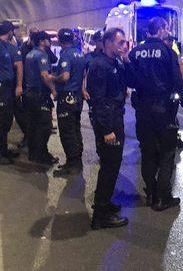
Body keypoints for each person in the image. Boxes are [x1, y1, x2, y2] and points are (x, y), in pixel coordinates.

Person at [129, 18, 183, 211]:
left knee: (147, 153)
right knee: (166, 153)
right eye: (167, 28)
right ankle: (163, 198)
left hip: (143, 111)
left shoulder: (135, 52)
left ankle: (151, 194)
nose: (168, 31)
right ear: (161, 29)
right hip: (163, 111)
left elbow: (130, 79)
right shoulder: (168, 52)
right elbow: (177, 81)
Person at [86, 27, 133, 229]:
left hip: (115, 116)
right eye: (120, 42)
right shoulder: (99, 65)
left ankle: (103, 203)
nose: (124, 46)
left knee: (112, 164)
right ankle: (100, 216)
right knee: (109, 165)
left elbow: (132, 81)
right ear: (108, 43)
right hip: (109, 119)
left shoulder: (116, 62)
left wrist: (127, 59)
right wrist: (106, 129)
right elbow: (98, 100)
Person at [53, 28, 86, 176]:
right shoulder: (79, 53)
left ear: (60, 40)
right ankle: (76, 160)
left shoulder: (66, 54)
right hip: (78, 95)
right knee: (75, 128)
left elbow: (65, 76)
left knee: (67, 131)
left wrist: (53, 78)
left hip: (67, 97)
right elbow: (84, 74)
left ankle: (73, 164)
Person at [24, 31, 58, 165]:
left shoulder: (29, 54)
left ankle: (32, 153)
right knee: (45, 126)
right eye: (48, 40)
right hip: (40, 95)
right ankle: (42, 154)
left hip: (30, 95)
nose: (49, 42)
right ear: (43, 41)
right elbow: (45, 76)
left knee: (32, 125)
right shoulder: (42, 55)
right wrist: (54, 90)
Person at [0, 21, 22, 164]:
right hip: (2, 89)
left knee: (5, 120)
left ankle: (3, 150)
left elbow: (17, 65)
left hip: (6, 90)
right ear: (10, 32)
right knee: (2, 121)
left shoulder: (8, 47)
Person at [163, 34, 183, 150]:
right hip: (165, 94)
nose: (170, 42)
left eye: (172, 40)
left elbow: (180, 64)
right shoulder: (169, 53)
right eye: (168, 40)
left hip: (156, 96)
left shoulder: (173, 51)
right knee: (170, 120)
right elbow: (176, 77)